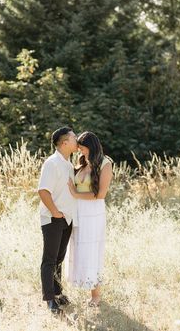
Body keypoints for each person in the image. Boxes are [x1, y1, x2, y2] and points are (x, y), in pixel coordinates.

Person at [67, 131, 113, 306]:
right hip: (78, 211)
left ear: (91, 146)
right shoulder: (81, 162)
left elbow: (100, 194)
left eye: (82, 147)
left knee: (92, 250)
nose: (80, 151)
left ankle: (96, 295)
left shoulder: (105, 163)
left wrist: (75, 193)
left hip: (93, 212)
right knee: (79, 249)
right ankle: (83, 283)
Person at [38, 126, 78, 314]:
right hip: (53, 218)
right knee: (50, 260)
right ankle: (49, 299)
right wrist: (54, 211)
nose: (77, 140)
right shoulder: (52, 163)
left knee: (59, 259)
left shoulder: (69, 165)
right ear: (64, 142)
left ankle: (57, 292)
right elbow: (43, 190)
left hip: (67, 219)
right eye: (74, 138)